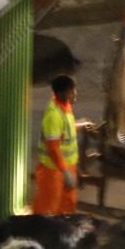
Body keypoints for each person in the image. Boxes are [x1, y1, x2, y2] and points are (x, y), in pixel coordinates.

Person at [33, 75, 79, 215]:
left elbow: (65, 131)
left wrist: (81, 125)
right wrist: (64, 171)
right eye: (71, 91)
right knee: (48, 210)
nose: (74, 94)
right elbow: (53, 148)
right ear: (60, 93)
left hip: (65, 169)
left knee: (66, 208)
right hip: (53, 172)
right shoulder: (53, 116)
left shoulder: (65, 107)